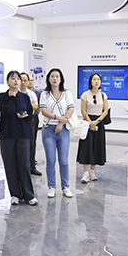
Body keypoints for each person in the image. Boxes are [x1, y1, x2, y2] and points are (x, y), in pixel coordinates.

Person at [0, 70, 38, 205]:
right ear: (7, 81)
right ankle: (15, 194)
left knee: (24, 164)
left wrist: (25, 115)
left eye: (18, 79)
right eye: (13, 78)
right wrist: (12, 97)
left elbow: (31, 115)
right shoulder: (2, 96)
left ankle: (29, 195)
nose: (16, 81)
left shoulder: (25, 97)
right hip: (7, 134)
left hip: (23, 134)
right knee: (10, 165)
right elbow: (7, 110)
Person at [39, 68, 75, 198]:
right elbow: (43, 111)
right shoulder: (45, 94)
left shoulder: (66, 93)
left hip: (63, 130)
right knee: (50, 160)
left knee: (64, 161)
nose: (55, 78)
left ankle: (65, 186)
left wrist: (61, 123)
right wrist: (57, 117)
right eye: (52, 76)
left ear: (61, 79)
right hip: (48, 129)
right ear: (48, 79)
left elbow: (71, 108)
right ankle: (52, 187)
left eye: (57, 76)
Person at [77, 73, 109, 183]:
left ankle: (92, 172)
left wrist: (96, 122)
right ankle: (86, 173)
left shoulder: (103, 95)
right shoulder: (85, 95)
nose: (96, 81)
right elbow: (83, 111)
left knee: (96, 147)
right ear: (90, 81)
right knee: (86, 147)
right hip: (87, 123)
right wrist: (90, 122)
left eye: (98, 79)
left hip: (99, 123)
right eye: (94, 79)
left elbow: (105, 111)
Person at [20, 72, 42, 176]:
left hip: (30, 120)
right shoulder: (15, 93)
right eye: (21, 80)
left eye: (25, 80)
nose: (23, 82)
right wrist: (29, 105)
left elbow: (35, 107)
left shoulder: (32, 93)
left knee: (31, 143)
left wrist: (24, 107)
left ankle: (32, 166)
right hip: (18, 121)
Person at [27, 75, 43, 176]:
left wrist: (36, 113)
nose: (30, 82)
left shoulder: (37, 93)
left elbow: (39, 105)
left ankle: (32, 164)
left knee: (32, 142)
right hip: (24, 118)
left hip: (34, 118)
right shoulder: (21, 93)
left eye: (32, 80)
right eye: (28, 80)